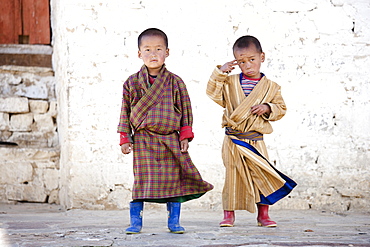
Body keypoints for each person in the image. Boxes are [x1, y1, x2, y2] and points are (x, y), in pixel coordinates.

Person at [118, 28, 213, 234]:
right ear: (139, 53)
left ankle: (174, 222)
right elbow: (125, 111)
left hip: (170, 138)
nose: (153, 54)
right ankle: (136, 222)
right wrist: (125, 137)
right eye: (148, 50)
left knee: (173, 181)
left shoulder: (175, 82)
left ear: (167, 52)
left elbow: (186, 109)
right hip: (143, 139)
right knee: (141, 180)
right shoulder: (132, 82)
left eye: (158, 49)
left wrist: (185, 135)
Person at [206, 35, 296, 228]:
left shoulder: (272, 87)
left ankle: (263, 215)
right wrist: (220, 73)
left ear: (262, 57)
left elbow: (281, 108)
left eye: (252, 60)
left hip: (256, 140)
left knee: (262, 174)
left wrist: (268, 107)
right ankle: (228, 215)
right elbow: (212, 93)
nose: (247, 65)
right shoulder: (229, 83)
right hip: (234, 140)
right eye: (241, 62)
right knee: (232, 176)